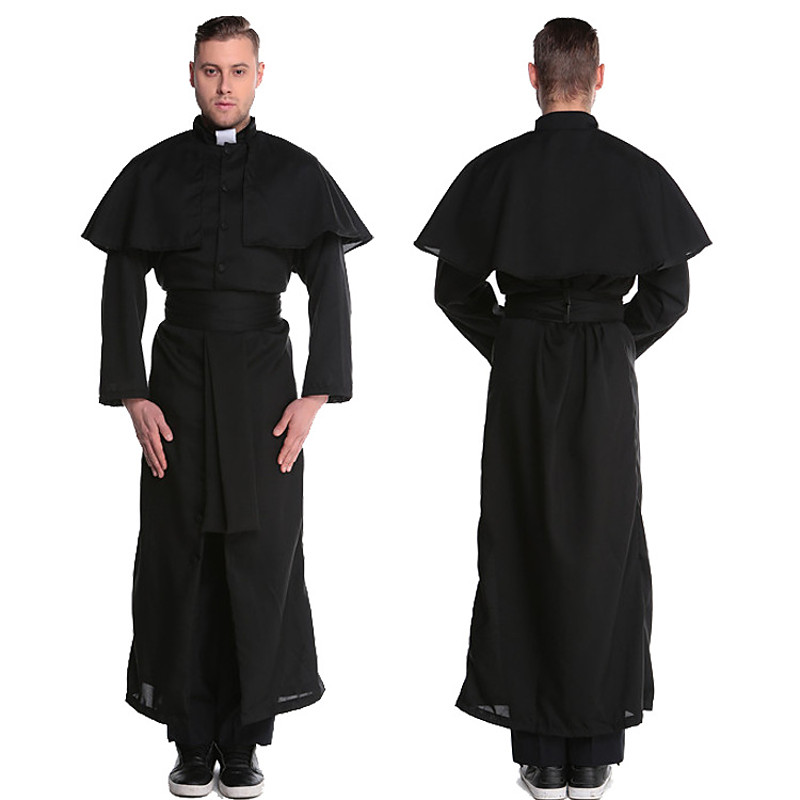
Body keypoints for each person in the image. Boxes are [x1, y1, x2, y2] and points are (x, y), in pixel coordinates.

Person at [415, 18, 710, 800]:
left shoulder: (496, 171)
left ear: (533, 76)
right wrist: (610, 342)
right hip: (605, 366)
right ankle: (594, 748)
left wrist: (515, 343)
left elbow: (455, 290)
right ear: (599, 77)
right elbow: (670, 294)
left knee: (522, 536)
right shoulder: (637, 173)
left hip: (520, 364)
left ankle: (540, 752)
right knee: (603, 542)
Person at [83, 16, 370, 799]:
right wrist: (133, 392)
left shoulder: (296, 172)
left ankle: (244, 742)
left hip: (264, 386)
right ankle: (191, 738)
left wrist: (317, 394)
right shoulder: (154, 171)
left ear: (259, 75)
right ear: (191, 73)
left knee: (259, 554)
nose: (224, 86)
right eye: (211, 71)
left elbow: (331, 285)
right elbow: (121, 282)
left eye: (238, 71)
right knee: (182, 553)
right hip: (177, 378)